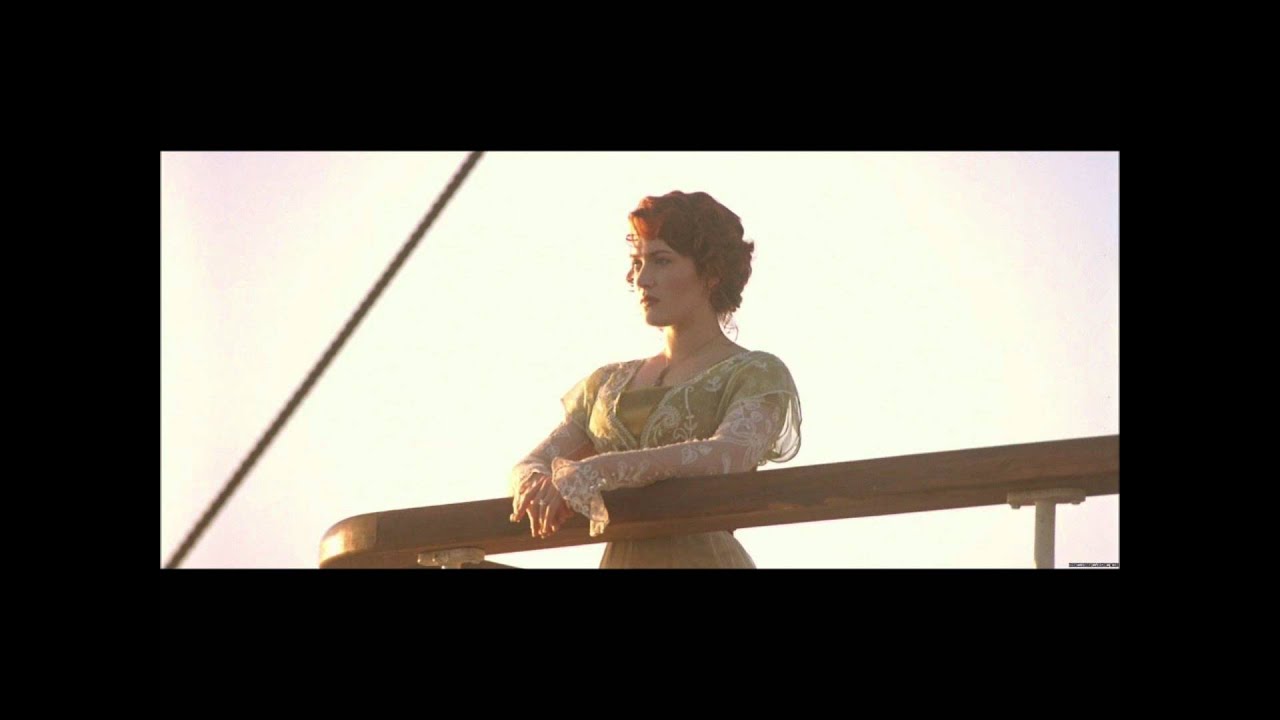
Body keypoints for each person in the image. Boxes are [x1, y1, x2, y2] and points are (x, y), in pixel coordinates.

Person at [508, 190, 802, 568]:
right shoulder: (606, 383)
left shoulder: (756, 372)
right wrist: (537, 483)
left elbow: (728, 455)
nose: (642, 279)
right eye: (637, 262)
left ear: (711, 273)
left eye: (661, 261)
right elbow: (531, 463)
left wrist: (598, 470)